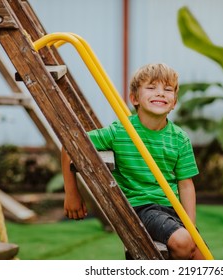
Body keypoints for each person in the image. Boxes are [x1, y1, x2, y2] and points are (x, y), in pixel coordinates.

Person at [61, 63, 204, 260]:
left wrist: (191, 227)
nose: (161, 93)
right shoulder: (120, 131)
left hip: (172, 209)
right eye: (152, 87)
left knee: (201, 256)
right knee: (182, 242)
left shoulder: (180, 138)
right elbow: (70, 143)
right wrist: (72, 193)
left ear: (174, 102)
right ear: (134, 98)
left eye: (168, 89)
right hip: (141, 207)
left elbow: (186, 185)